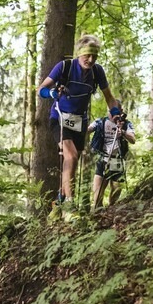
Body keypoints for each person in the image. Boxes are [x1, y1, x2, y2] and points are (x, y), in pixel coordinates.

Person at [37, 34, 119, 215]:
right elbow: (41, 89)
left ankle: (58, 203)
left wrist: (116, 114)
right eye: (87, 56)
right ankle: (69, 207)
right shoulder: (64, 67)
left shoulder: (97, 71)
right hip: (59, 118)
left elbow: (110, 99)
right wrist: (51, 94)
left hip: (79, 122)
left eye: (94, 56)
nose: (90, 60)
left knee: (72, 164)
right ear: (79, 53)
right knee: (71, 156)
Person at [87, 103, 135, 209]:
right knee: (98, 192)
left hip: (117, 160)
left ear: (121, 111)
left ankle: (111, 211)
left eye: (116, 111)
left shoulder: (126, 124)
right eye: (111, 111)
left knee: (116, 190)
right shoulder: (100, 122)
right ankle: (97, 212)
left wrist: (123, 133)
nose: (113, 114)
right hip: (103, 158)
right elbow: (88, 129)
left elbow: (132, 139)